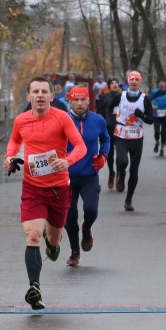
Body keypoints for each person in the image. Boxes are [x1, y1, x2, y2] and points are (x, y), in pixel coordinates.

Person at [5, 76, 87, 309]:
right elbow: (13, 142)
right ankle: (34, 288)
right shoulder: (21, 121)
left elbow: (81, 146)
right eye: (35, 91)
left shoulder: (61, 118)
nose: (40, 95)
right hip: (32, 188)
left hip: (59, 189)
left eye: (44, 92)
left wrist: (68, 161)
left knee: (52, 239)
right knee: (33, 236)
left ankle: (54, 244)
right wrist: (9, 158)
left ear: (52, 96)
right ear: (28, 97)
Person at [63, 86, 111, 267]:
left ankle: (87, 229)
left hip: (90, 174)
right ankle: (75, 251)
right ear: (70, 101)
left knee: (91, 210)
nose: (80, 104)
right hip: (67, 176)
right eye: (75, 100)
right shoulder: (63, 120)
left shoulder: (98, 120)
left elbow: (106, 139)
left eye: (83, 100)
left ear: (89, 101)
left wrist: (103, 155)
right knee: (70, 216)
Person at [111, 70, 153, 211]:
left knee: (134, 171)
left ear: (140, 82)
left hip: (136, 137)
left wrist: (141, 115)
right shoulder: (120, 96)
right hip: (121, 135)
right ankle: (121, 174)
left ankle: (128, 200)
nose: (134, 81)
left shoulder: (145, 99)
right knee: (123, 161)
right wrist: (109, 122)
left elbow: (151, 120)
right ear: (128, 81)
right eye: (132, 79)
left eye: (137, 79)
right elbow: (109, 109)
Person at [95, 77, 123, 189]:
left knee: (121, 156)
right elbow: (99, 113)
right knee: (110, 155)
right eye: (112, 83)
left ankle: (119, 176)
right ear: (109, 86)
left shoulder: (124, 97)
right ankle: (112, 172)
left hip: (121, 129)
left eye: (116, 83)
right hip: (108, 129)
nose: (115, 85)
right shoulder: (104, 98)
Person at [149, 78, 166, 157]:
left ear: (165, 83)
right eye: (159, 82)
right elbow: (148, 100)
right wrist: (152, 106)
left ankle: (162, 149)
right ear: (157, 84)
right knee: (157, 131)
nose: (161, 83)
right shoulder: (154, 92)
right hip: (156, 114)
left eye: (162, 82)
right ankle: (157, 142)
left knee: (164, 132)